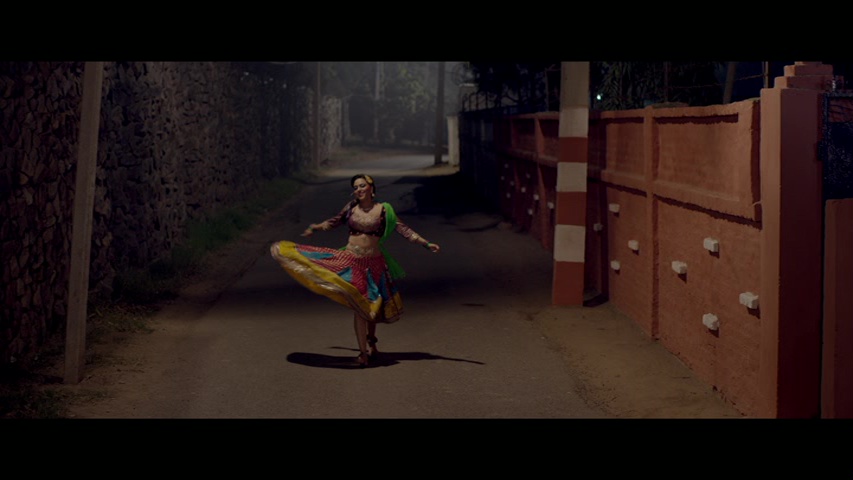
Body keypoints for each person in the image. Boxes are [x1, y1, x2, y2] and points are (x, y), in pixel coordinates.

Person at [270, 173, 441, 367]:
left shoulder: (384, 210)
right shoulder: (351, 208)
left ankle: (372, 343)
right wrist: (316, 227)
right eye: (355, 187)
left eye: (362, 186)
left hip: (374, 264)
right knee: (360, 307)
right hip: (351, 260)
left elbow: (404, 230)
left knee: (372, 307)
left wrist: (426, 244)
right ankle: (362, 354)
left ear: (371, 187)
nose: (358, 190)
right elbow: (334, 222)